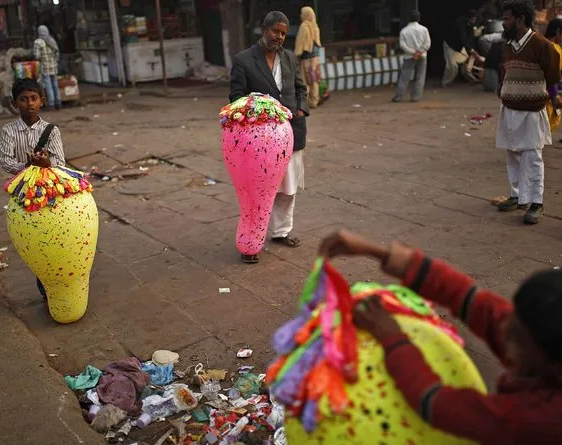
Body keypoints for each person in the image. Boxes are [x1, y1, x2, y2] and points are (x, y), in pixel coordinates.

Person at [318, 230, 562, 444]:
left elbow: (435, 402)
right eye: (511, 317)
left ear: (550, 360)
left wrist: (393, 338)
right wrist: (375, 251)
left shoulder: (539, 422)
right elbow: (468, 297)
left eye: (516, 337)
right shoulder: (537, 343)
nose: (503, 328)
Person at [229, 11, 309, 264]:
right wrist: (260, 112)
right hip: (258, 140)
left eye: (284, 33)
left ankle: (281, 232)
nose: (279, 37)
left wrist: (301, 108)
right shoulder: (243, 60)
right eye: (276, 31)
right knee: (257, 191)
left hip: (291, 132)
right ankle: (251, 241)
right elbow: (236, 97)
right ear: (263, 28)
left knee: (288, 188)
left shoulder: (290, 58)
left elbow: (300, 88)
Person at [0, 78, 66, 299]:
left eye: (34, 98)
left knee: (53, 236)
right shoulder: (8, 131)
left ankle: (55, 282)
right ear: (14, 103)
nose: (29, 103)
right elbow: (4, 160)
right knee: (35, 241)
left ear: (42, 101)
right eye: (24, 99)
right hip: (23, 194)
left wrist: (47, 164)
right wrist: (26, 167)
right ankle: (44, 283)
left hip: (48, 192)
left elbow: (61, 163)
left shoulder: (51, 131)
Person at [496, 0, 561, 225]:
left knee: (533, 156)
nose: (503, 24)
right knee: (512, 153)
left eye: (507, 19)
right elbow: (503, 72)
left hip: (532, 110)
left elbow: (553, 78)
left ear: (520, 20)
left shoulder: (542, 46)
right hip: (509, 109)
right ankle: (516, 196)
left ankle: (535, 203)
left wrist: (555, 98)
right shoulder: (506, 46)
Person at [392, 10, 431, 103]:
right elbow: (427, 44)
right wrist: (419, 52)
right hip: (422, 56)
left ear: (409, 19)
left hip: (409, 56)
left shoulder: (404, 31)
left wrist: (413, 52)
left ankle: (398, 97)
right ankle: (415, 97)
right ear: (419, 19)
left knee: (404, 77)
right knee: (420, 77)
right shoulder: (424, 29)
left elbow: (402, 44)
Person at [443, 10, 479, 87]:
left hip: (460, 46)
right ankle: (445, 82)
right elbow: (462, 37)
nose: (475, 20)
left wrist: (472, 49)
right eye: (474, 19)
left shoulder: (471, 24)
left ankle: (471, 79)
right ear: (470, 18)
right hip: (450, 45)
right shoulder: (460, 23)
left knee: (466, 61)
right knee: (452, 66)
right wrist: (471, 50)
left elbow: (470, 38)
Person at [295, 6, 321, 109]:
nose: (301, 15)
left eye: (302, 13)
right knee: (314, 80)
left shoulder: (304, 26)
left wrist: (296, 56)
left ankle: (304, 104)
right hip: (315, 58)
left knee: (305, 81)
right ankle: (314, 101)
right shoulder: (315, 26)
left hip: (306, 58)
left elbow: (300, 43)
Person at [34, 25, 62, 110]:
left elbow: (36, 56)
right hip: (53, 65)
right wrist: (55, 61)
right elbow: (57, 53)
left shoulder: (38, 42)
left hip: (45, 66)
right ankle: (58, 102)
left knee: (48, 85)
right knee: (55, 84)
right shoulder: (52, 40)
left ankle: (51, 104)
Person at [544, 18, 562, 134]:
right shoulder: (555, 49)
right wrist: (555, 97)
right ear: (557, 32)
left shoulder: (541, 45)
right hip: (547, 96)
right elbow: (551, 76)